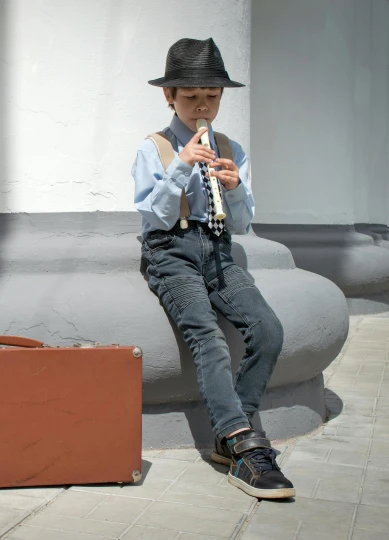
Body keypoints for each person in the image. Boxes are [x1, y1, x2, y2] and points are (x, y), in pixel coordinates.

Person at [132, 37, 295, 499]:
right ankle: (245, 446)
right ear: (169, 96)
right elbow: (155, 218)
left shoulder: (231, 147)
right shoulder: (155, 148)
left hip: (219, 248)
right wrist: (182, 167)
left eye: (212, 96)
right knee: (207, 337)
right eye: (190, 96)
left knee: (268, 329)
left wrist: (236, 184)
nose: (202, 105)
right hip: (170, 251)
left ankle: (231, 434)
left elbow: (242, 222)